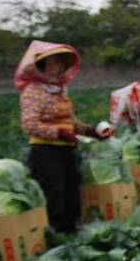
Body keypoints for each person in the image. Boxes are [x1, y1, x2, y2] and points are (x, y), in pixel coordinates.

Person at [15, 40, 104, 233]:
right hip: (46, 152)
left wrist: (90, 131)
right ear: (38, 67)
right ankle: (54, 242)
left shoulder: (60, 90)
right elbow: (29, 124)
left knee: (71, 197)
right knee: (54, 199)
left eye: (56, 63)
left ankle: (71, 240)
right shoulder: (33, 91)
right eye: (47, 63)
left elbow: (69, 122)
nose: (53, 68)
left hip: (66, 150)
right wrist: (59, 133)